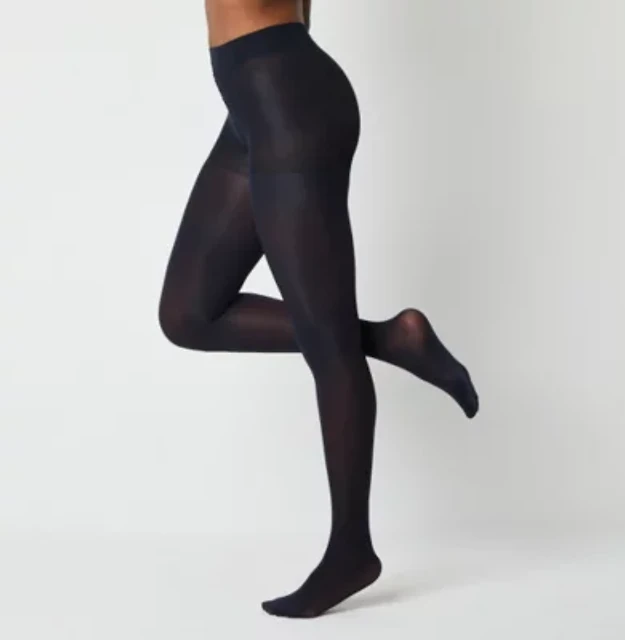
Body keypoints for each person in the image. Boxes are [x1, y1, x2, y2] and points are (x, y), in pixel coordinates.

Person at [158, 0, 479, 618]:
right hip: (259, 98)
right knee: (189, 314)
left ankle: (351, 550)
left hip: (285, 99)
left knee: (329, 351)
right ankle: (393, 338)